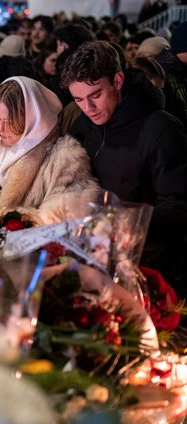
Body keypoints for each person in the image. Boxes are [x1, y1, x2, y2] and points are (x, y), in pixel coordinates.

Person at [62, 41, 187, 295]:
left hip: (151, 272)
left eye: (96, 95)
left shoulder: (161, 129)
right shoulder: (82, 128)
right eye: (79, 99)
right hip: (95, 264)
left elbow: (179, 207)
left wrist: (127, 224)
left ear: (118, 80)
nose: (88, 108)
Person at [0, 76, 98, 230]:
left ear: (32, 117)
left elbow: (63, 219)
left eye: (9, 121)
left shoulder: (65, 160)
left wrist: (1, 224)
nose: (1, 129)